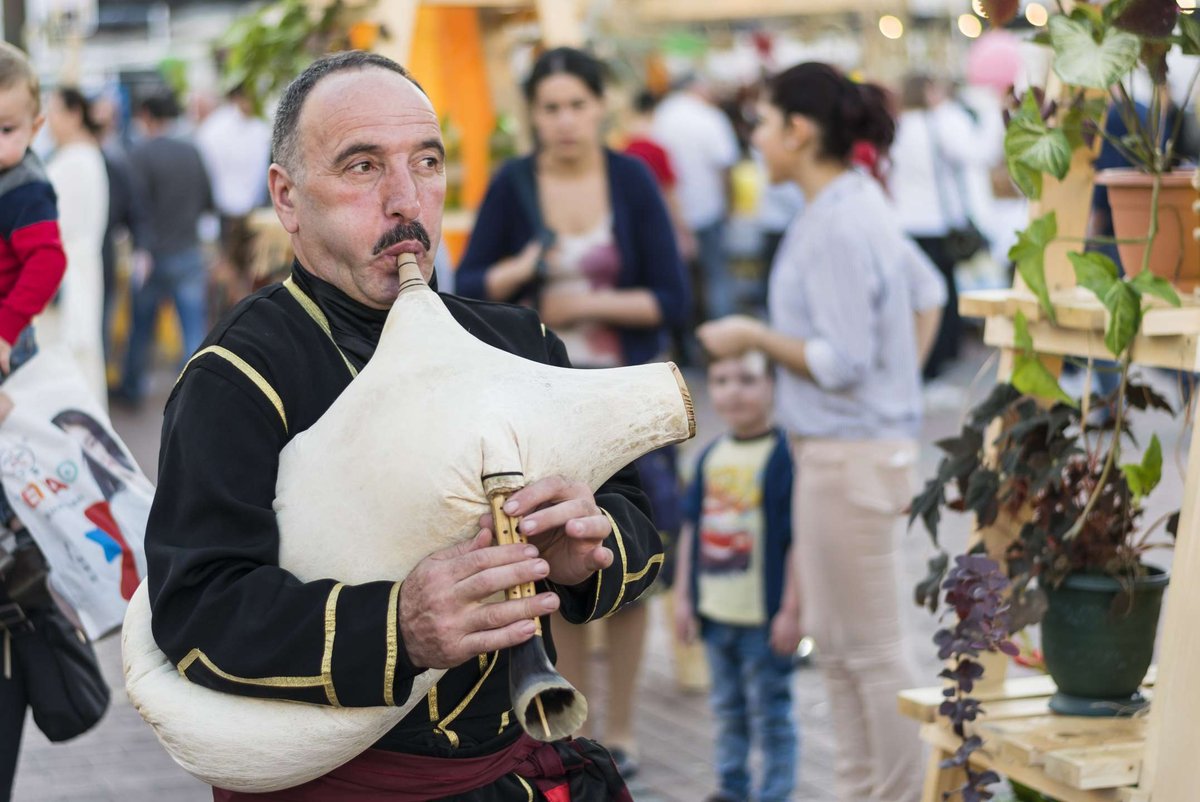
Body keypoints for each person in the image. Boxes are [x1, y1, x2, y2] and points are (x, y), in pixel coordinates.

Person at [146, 50, 662, 800]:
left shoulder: (518, 342)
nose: (406, 201)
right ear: (287, 199)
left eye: (427, 162)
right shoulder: (238, 377)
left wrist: (588, 547)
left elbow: (637, 521)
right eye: (362, 167)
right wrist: (399, 626)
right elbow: (198, 613)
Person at [697, 62, 946, 802]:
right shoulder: (845, 206)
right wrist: (894, 389)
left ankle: (902, 792)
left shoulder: (841, 217)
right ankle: (868, 788)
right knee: (840, 651)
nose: (757, 140)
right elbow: (927, 295)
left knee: (867, 653)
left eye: (764, 124)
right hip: (844, 452)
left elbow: (841, 362)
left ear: (799, 132)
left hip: (848, 456)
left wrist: (754, 335)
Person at [456, 47, 689, 776]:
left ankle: (622, 732)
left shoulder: (631, 180)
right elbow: (465, 287)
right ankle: (572, 734)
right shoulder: (512, 183)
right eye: (550, 107)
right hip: (540, 409)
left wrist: (580, 303)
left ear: (601, 107)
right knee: (559, 570)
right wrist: (522, 273)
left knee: (630, 562)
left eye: (576, 105)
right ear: (533, 114)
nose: (564, 121)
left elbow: (674, 297)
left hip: (625, 405)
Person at [674, 350, 799, 802]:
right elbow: (692, 529)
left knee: (771, 713)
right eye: (722, 380)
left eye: (747, 379)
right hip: (716, 613)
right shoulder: (710, 456)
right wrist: (684, 600)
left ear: (773, 387)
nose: (733, 390)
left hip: (763, 619)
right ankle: (731, 788)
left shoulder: (786, 456)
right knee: (727, 710)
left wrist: (790, 609)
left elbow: (796, 540)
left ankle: (775, 792)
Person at [0, 41, 69, 801]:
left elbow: (45, 265)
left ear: (38, 123)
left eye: (9, 129)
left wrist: (4, 332)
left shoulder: (24, 187)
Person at [890, 74, 999, 382]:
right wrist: (992, 113)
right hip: (936, 222)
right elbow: (980, 153)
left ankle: (927, 359)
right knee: (941, 292)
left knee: (920, 294)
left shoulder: (898, 126)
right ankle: (942, 357)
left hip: (906, 222)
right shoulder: (938, 123)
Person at [117, 92, 212, 407]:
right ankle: (199, 395)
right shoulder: (192, 151)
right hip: (188, 250)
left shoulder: (139, 154)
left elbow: (133, 207)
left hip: (152, 255)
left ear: (146, 115)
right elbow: (207, 198)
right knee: (194, 330)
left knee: (141, 328)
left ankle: (132, 388)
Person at [652, 73, 741, 323]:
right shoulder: (710, 117)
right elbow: (725, 166)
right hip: (708, 208)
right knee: (716, 274)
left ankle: (690, 339)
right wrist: (729, 204)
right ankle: (722, 334)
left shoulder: (663, 115)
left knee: (684, 280)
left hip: (673, 212)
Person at [42, 87, 109, 407]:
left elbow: (59, 224)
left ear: (74, 114)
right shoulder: (83, 155)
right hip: (77, 270)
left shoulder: (76, 160)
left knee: (70, 362)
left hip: (68, 273)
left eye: (54, 112)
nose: (48, 121)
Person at [195, 82, 271, 317]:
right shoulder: (215, 130)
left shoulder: (260, 129)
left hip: (249, 215)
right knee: (228, 277)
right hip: (226, 216)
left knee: (247, 277)